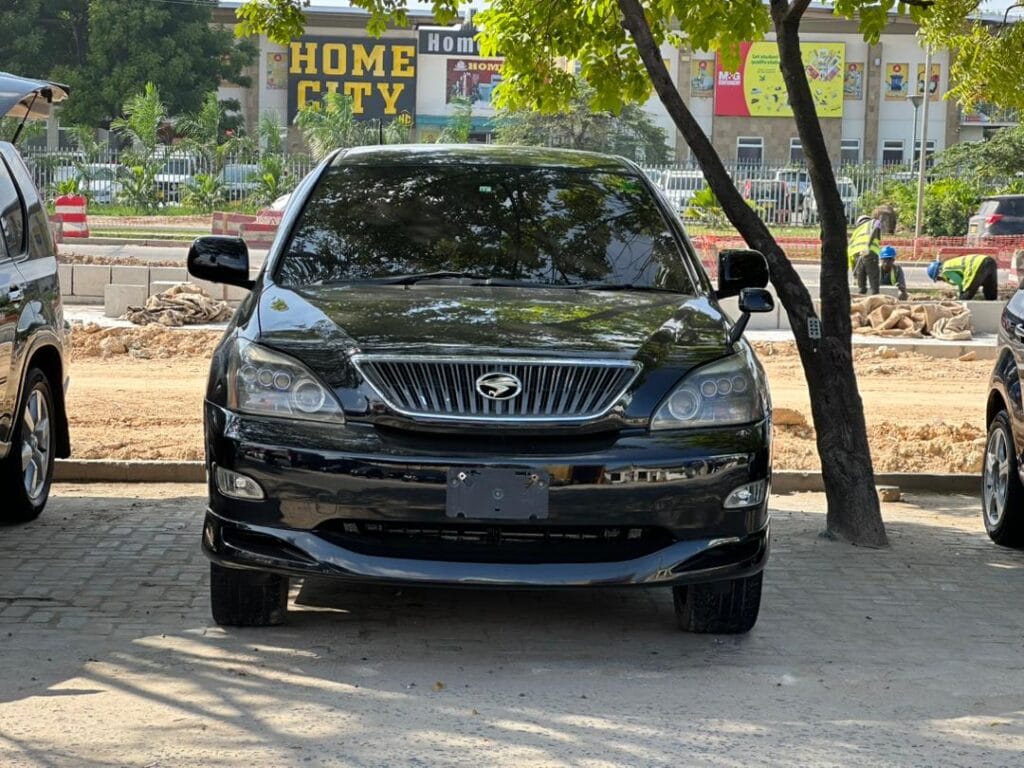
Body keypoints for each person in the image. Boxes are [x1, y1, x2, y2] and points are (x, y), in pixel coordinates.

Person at [927, 254, 999, 300]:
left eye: (938, 279)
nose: (941, 280)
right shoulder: (948, 264)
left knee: (965, 296)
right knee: (990, 292)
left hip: (977, 266)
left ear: (938, 274)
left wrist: (961, 295)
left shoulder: (945, 270)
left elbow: (960, 281)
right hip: (989, 261)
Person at [848, 214, 881, 295]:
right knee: (873, 279)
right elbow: (876, 228)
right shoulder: (874, 222)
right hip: (869, 252)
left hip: (856, 255)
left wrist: (855, 275)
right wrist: (867, 246)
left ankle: (861, 299)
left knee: (861, 283)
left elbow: (850, 257)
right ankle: (875, 298)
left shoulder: (856, 232)